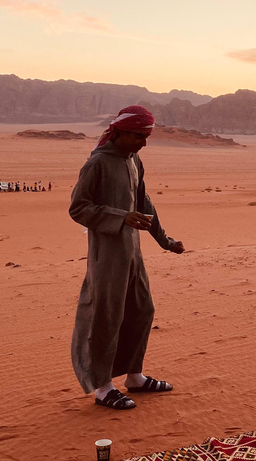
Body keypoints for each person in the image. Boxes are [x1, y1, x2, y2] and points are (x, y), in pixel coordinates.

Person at [69, 105, 185, 411]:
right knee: (107, 317)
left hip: (132, 252)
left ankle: (135, 376)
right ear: (120, 132)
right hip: (107, 255)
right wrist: (121, 217)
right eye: (138, 136)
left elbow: (143, 202)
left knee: (142, 310)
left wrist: (165, 241)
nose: (143, 143)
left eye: (146, 137)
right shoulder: (97, 163)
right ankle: (102, 387)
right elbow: (78, 207)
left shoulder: (134, 160)